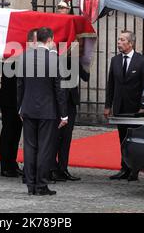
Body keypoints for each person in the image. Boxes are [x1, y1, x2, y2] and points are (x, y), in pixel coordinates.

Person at [17, 27, 67, 196]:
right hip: (48, 110)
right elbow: (59, 89)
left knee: (30, 147)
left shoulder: (23, 57)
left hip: (28, 109)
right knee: (45, 148)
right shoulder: (55, 59)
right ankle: (41, 185)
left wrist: (20, 107)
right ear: (50, 40)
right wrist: (64, 114)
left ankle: (30, 185)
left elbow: (20, 86)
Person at [104, 30, 144, 182]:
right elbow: (111, 84)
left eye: (122, 40)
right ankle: (124, 167)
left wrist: (143, 106)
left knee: (133, 139)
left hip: (134, 109)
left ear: (131, 43)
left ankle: (134, 170)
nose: (119, 42)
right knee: (122, 139)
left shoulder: (142, 61)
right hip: (119, 107)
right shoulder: (115, 60)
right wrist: (107, 105)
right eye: (118, 39)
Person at [0, 28, 38, 178]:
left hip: (20, 101)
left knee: (16, 133)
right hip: (9, 100)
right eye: (34, 40)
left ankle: (12, 163)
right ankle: (5, 165)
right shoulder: (14, 56)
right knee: (8, 132)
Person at [50, 38, 90, 182]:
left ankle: (63, 168)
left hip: (70, 102)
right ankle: (52, 168)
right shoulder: (57, 59)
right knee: (54, 137)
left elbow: (86, 77)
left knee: (66, 138)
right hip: (57, 103)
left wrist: (86, 60)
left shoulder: (75, 61)